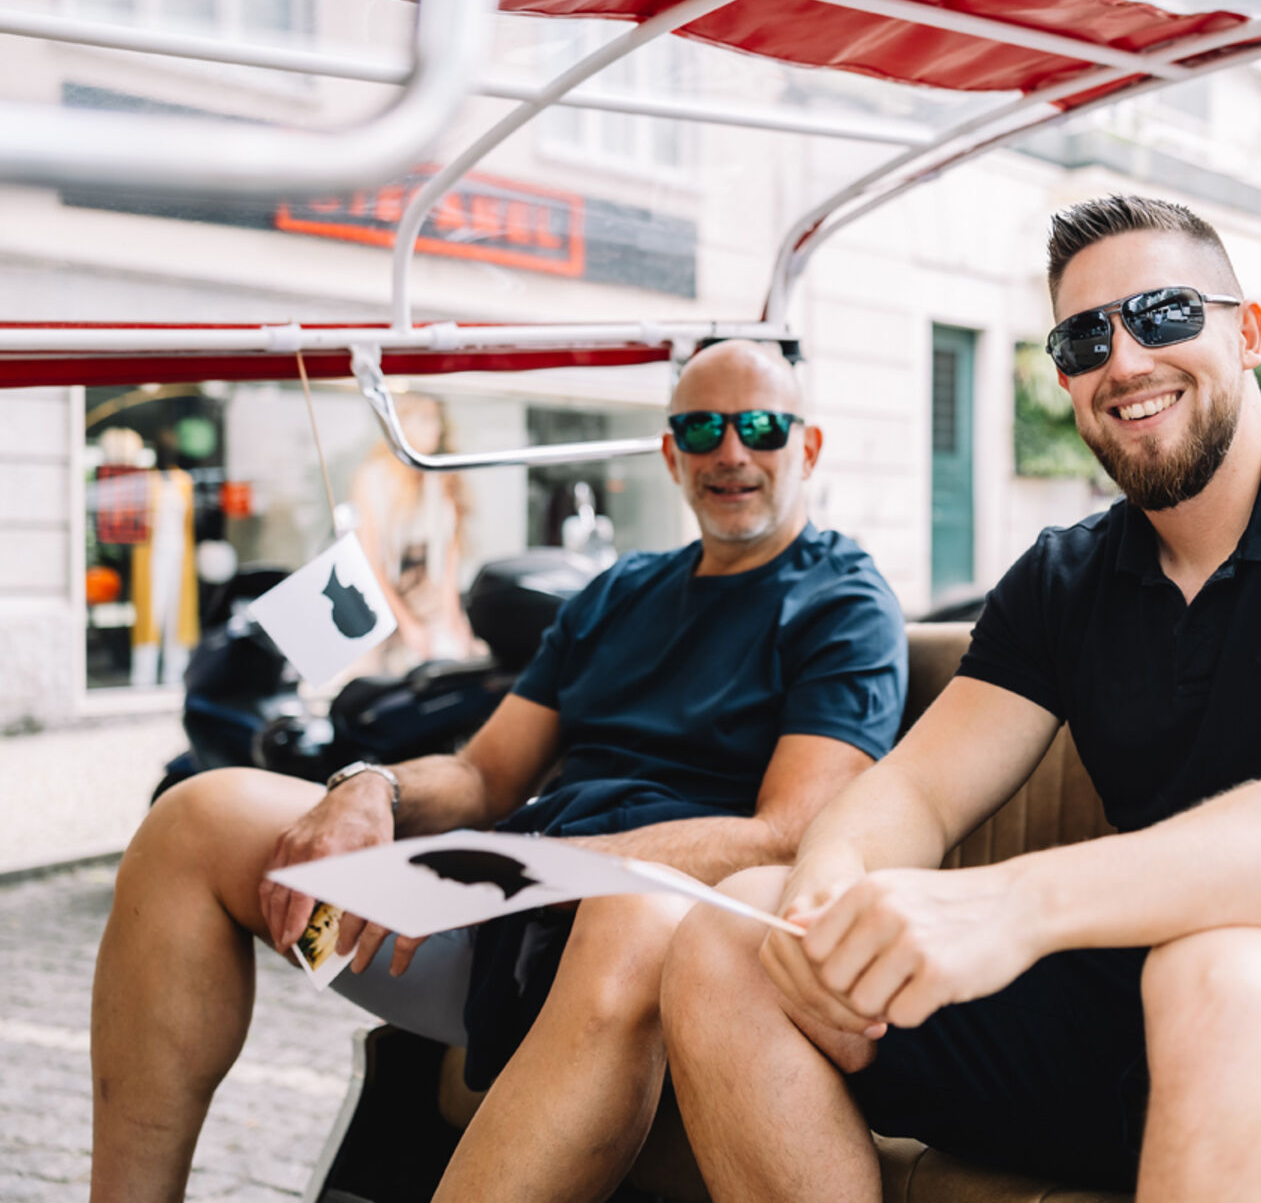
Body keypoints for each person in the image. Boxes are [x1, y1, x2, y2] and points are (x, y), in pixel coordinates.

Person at [662, 198, 1261, 1203]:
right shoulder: (1063, 580)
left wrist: (1017, 904)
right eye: (1085, 338)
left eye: (1163, 313)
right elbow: (917, 792)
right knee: (737, 934)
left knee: (1224, 978)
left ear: (1246, 333)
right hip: (1130, 1009)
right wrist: (824, 896)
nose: (1125, 360)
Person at [89, 341, 908, 1203]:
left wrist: (529, 871)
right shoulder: (618, 592)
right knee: (195, 816)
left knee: (630, 915)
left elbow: (787, 835)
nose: (731, 451)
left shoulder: (842, 603)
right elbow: (484, 776)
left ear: (807, 447)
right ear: (672, 454)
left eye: (763, 428)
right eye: (703, 429)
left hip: (657, 945)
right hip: (507, 928)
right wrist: (373, 788)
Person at [347, 390, 475, 671]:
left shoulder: (442, 475)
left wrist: (454, 618)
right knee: (364, 675)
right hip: (382, 603)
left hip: (431, 605)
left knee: (457, 659)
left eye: (437, 419)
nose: (435, 428)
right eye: (425, 419)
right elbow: (370, 563)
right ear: (400, 423)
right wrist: (408, 626)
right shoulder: (372, 479)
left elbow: (450, 555)